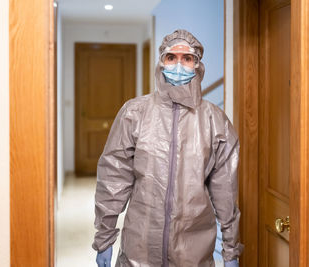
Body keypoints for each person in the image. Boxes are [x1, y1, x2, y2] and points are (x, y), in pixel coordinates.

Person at [92, 29, 244, 267]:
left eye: (187, 58)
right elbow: (113, 178)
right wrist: (104, 237)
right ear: (161, 63)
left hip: (194, 251)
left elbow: (225, 192)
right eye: (171, 57)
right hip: (139, 247)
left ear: (197, 66)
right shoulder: (135, 113)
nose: (178, 65)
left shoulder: (215, 122)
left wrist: (230, 250)